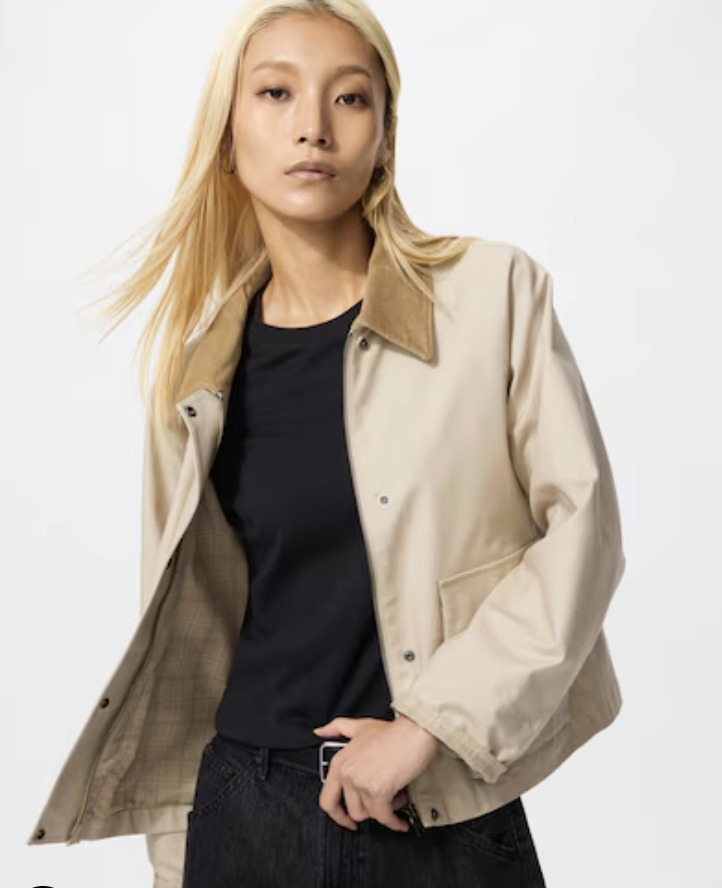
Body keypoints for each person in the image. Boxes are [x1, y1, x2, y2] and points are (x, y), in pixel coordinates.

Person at [27, 1, 626, 886]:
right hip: (243, 808)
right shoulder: (196, 371)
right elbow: (188, 639)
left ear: (385, 136)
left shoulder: (493, 296)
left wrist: (429, 725)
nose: (313, 126)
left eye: (349, 98)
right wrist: (174, 865)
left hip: (437, 806)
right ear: (227, 134)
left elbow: (584, 532)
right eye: (276, 93)